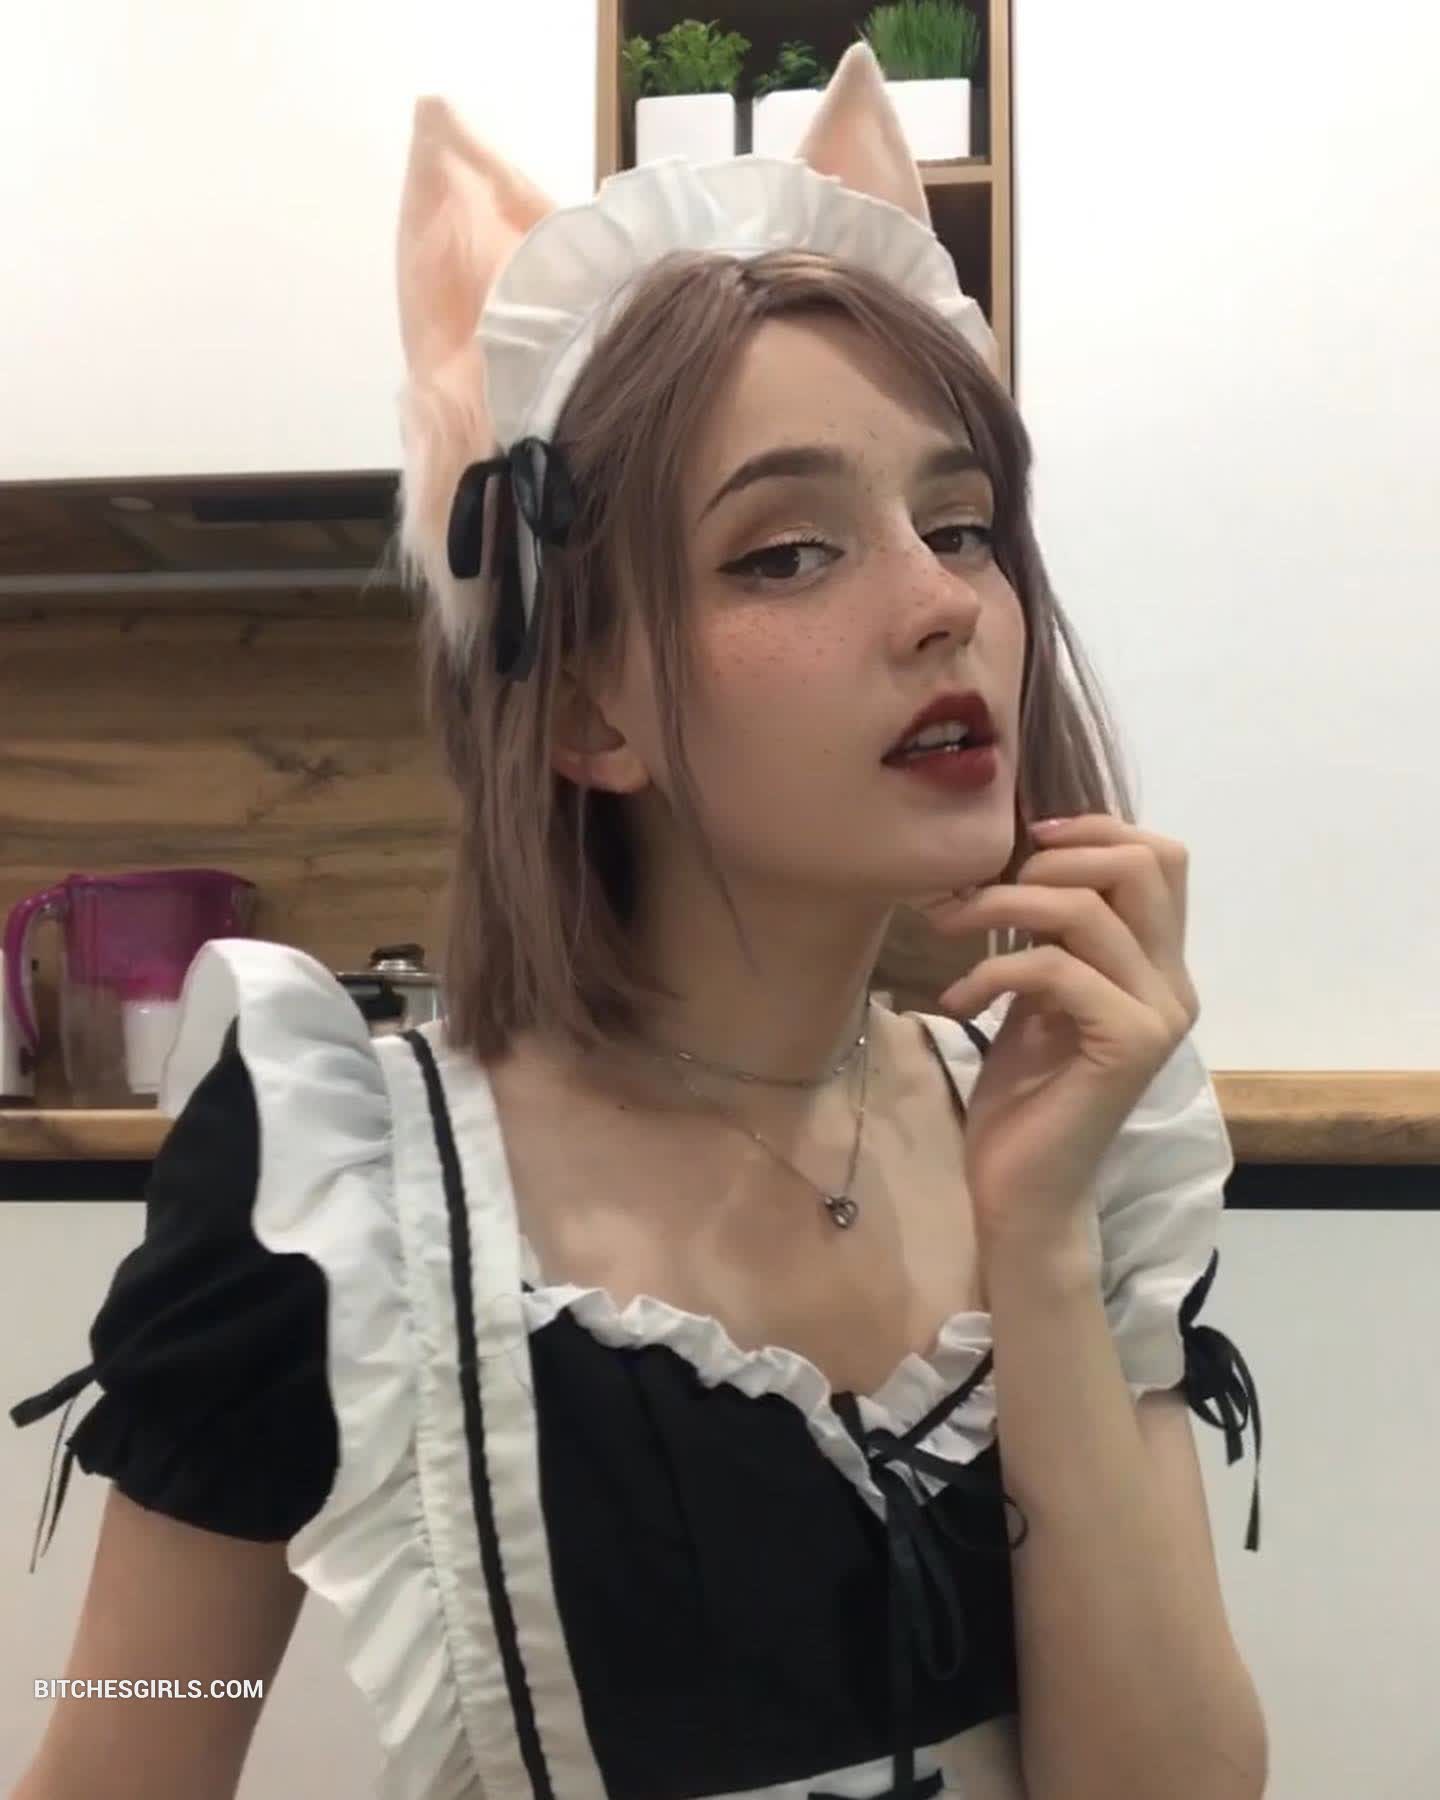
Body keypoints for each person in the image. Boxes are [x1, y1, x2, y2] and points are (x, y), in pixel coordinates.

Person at [9, 43, 1267, 1800]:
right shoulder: (348, 1190)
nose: (942, 605)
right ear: (589, 710)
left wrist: (1043, 1245)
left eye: (964, 525)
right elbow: (129, 1746)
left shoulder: (1073, 1137)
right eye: (786, 552)